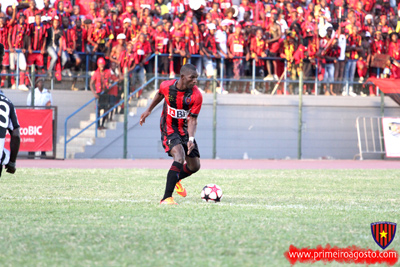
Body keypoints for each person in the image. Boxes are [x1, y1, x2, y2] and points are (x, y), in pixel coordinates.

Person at [139, 63, 203, 205]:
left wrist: (191, 138)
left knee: (195, 166)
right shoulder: (166, 86)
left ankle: (177, 179)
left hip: (186, 130)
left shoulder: (196, 95)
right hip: (169, 128)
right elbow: (160, 94)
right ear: (182, 77)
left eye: (196, 78)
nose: (195, 81)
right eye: (192, 78)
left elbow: (193, 119)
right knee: (179, 156)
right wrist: (148, 110)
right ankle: (166, 198)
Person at [26, 77, 52, 158]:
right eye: (40, 82)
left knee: (43, 135)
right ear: (37, 84)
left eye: (42, 82)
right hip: (34, 116)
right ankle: (31, 152)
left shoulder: (47, 93)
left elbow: (50, 104)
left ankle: (43, 152)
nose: (41, 83)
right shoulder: (33, 93)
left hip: (44, 116)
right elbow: (28, 104)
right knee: (33, 134)